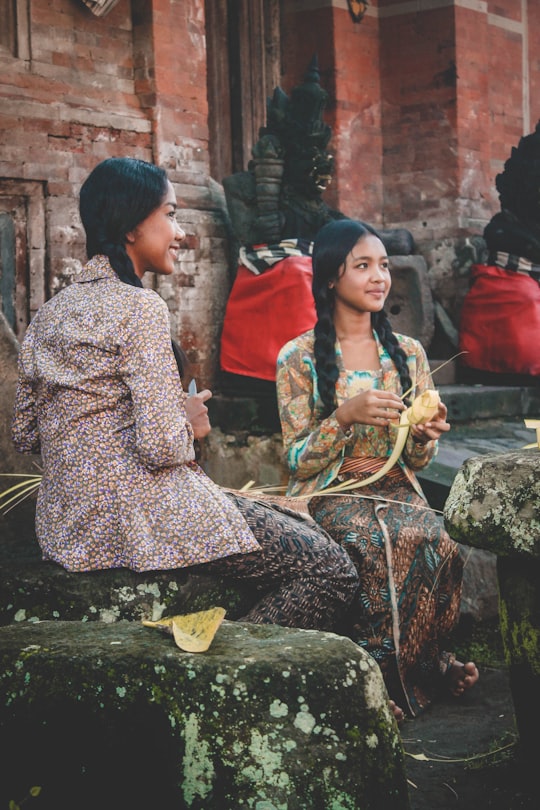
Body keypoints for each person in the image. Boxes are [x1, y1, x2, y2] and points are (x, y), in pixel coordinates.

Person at [11, 156, 360, 634]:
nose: (180, 233)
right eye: (170, 214)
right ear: (132, 226)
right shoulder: (139, 307)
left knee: (295, 523)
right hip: (136, 518)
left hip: (63, 524)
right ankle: (216, 673)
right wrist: (187, 421)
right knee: (330, 570)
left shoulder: (47, 316)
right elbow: (161, 447)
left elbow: (27, 434)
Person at [276, 219, 479, 717]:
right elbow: (295, 457)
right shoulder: (297, 357)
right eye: (363, 265)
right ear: (329, 278)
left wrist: (424, 434)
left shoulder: (407, 353)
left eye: (384, 265)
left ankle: (429, 664)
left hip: (393, 485)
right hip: (331, 489)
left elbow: (414, 459)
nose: (379, 277)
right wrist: (343, 416)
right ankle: (364, 684)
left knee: (437, 538)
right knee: (368, 546)